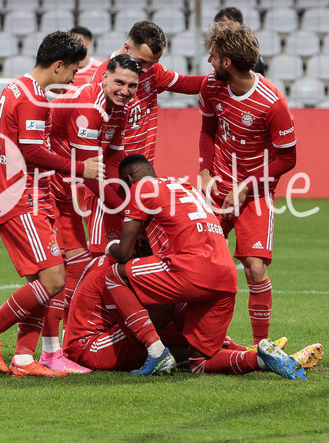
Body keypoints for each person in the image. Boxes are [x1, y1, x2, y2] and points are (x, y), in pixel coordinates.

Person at [99, 154, 310, 379]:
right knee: (200, 361)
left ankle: (156, 352)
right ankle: (261, 359)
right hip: (226, 275)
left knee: (115, 275)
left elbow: (125, 254)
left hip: (190, 270)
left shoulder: (141, 188)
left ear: (129, 179)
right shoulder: (186, 186)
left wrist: (110, 246)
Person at [0, 31, 103, 378]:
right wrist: (78, 167)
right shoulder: (34, 98)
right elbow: (30, 150)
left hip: (24, 196)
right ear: (58, 65)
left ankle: (24, 358)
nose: (74, 77)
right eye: (73, 70)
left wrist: (7, 161)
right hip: (24, 200)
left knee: (42, 282)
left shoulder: (14, 87)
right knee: (55, 280)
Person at [63, 235, 324, 374]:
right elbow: (144, 320)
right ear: (140, 245)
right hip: (90, 345)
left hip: (118, 332)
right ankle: (255, 356)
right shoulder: (115, 272)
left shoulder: (121, 263)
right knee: (187, 341)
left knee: (192, 338)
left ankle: (255, 354)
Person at [197, 20, 298, 346]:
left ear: (227, 62)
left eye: (213, 56)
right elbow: (208, 131)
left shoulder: (273, 103)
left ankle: (261, 346)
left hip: (255, 193)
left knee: (254, 268)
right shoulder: (211, 87)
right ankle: (198, 340)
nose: (209, 61)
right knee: (198, 262)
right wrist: (204, 172)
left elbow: (287, 159)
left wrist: (247, 186)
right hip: (217, 187)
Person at [39, 53, 141, 373]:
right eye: (119, 82)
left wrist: (130, 190)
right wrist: (125, 206)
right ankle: (39, 347)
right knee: (53, 272)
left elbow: (114, 155)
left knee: (72, 267)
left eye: (132, 86)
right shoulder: (88, 107)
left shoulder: (120, 108)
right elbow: (90, 174)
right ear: (104, 77)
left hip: (63, 187)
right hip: (43, 185)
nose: (125, 90)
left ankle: (56, 345)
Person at [84, 21, 204, 255]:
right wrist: (114, 190)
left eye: (153, 63)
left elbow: (187, 83)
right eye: (142, 62)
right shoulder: (104, 81)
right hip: (110, 180)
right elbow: (95, 145)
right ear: (127, 47)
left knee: (141, 252)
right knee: (104, 252)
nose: (147, 69)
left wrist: (228, 78)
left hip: (140, 179)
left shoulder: (151, 72)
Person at [214, 7, 267, 76]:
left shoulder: (250, 56)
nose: (218, 30)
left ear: (236, 25)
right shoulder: (218, 51)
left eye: (222, 25)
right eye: (216, 26)